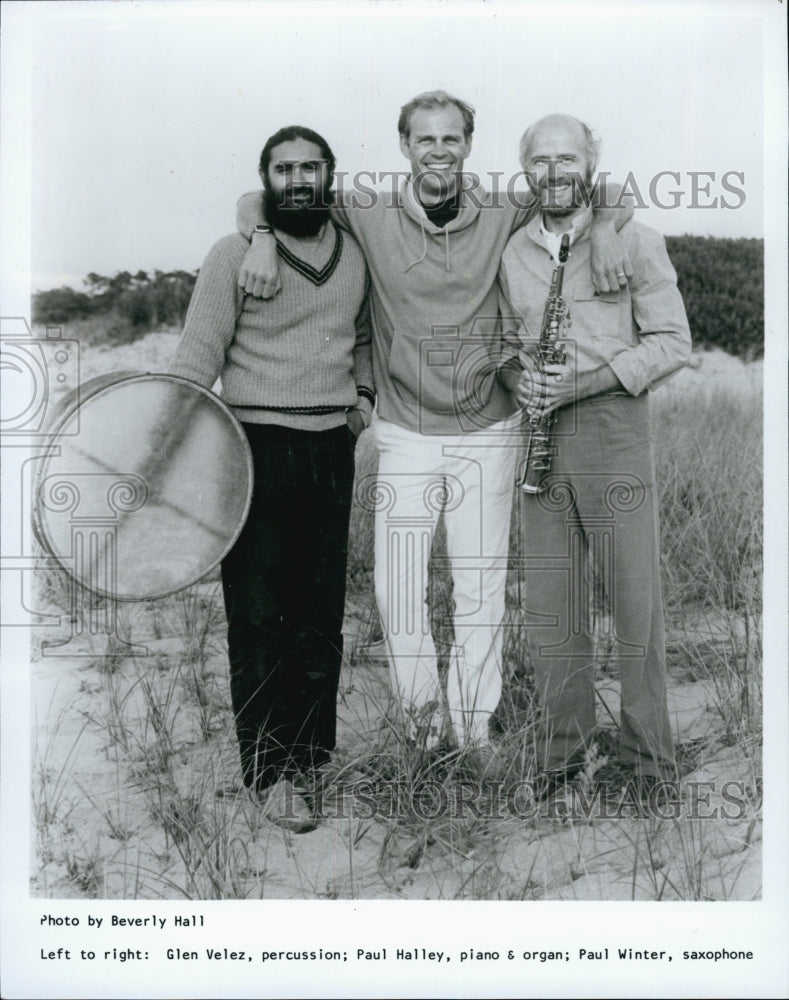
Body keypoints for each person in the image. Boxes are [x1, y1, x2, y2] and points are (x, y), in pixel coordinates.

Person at [235, 92, 632, 765]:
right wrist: (263, 239)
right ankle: (421, 732)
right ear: (405, 146)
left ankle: (472, 734)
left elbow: (607, 189)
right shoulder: (368, 209)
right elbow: (257, 199)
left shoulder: (504, 206)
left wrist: (614, 230)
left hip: (488, 431)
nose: (439, 151)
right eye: (426, 139)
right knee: (397, 591)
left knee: (479, 588)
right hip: (405, 432)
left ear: (468, 145)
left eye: (452, 139)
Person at [169, 126, 373, 831]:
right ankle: (268, 771)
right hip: (251, 446)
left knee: (319, 613)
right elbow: (198, 352)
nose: (298, 180)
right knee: (259, 617)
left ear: (329, 174)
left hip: (330, 448)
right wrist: (165, 446)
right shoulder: (233, 253)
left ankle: (311, 760)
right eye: (283, 169)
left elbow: (365, 337)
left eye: (310, 167)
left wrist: (363, 401)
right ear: (266, 179)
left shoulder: (354, 250)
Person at [498, 114, 691, 795]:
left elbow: (672, 343)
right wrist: (516, 379)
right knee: (553, 607)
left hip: (612, 426)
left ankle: (648, 762)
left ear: (590, 164)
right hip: (541, 433)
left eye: (568, 158)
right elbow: (504, 344)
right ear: (525, 169)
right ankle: (561, 756)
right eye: (540, 160)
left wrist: (584, 381)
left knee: (635, 603)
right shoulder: (512, 250)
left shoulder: (634, 239)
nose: (555, 172)